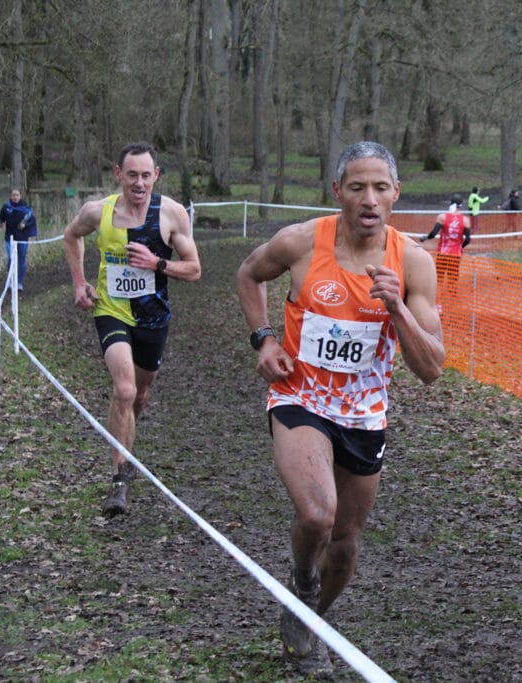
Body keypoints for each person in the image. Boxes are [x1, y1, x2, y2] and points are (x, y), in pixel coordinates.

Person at [236, 141, 445, 676]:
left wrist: (397, 308)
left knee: (346, 548)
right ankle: (303, 580)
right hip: (300, 397)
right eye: (357, 187)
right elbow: (249, 273)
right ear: (338, 192)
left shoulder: (413, 263)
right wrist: (264, 339)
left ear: (396, 194)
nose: (368, 199)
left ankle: (307, 617)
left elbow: (431, 367)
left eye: (380, 188)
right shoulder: (302, 241)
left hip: (364, 415)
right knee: (316, 514)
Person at [62, 141, 201, 517]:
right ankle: (120, 479)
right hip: (111, 311)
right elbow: (71, 235)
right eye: (132, 175)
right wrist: (79, 283)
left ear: (156, 176)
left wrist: (158, 264)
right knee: (124, 390)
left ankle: (124, 436)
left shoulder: (172, 214)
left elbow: (194, 269)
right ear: (118, 175)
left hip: (153, 318)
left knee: (139, 395)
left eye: (146, 176)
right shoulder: (98, 211)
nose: (139, 183)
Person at [420, 193, 471, 293]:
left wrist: (425, 238)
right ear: (461, 205)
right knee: (453, 277)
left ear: (450, 203)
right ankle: (452, 297)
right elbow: (468, 239)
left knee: (439, 276)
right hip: (456, 254)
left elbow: (433, 234)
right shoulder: (465, 220)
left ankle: (438, 297)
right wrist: (460, 246)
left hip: (443, 252)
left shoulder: (442, 217)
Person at [0, 188, 38, 290]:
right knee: (11, 259)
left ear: (20, 196)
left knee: (21, 259)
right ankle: (10, 281)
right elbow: (0, 218)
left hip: (22, 238)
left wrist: (25, 224)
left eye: (17, 195)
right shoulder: (6, 207)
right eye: (13, 195)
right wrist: (0, 223)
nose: (15, 197)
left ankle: (19, 282)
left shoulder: (26, 208)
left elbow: (32, 221)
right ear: (11, 196)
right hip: (9, 238)